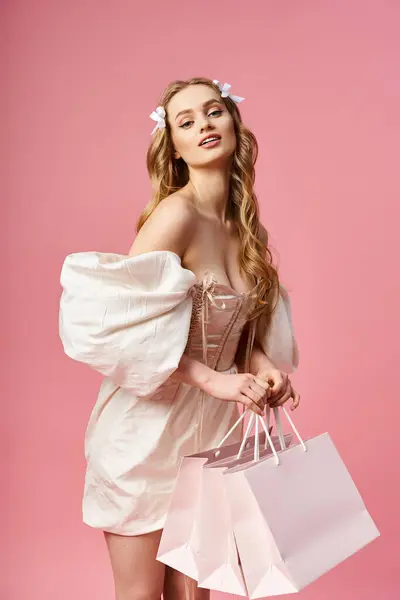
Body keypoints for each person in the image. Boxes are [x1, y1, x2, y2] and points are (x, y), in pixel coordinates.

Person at [59, 77, 300, 600]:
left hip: (207, 438)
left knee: (197, 595)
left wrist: (262, 369)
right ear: (173, 145)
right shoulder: (177, 215)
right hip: (144, 432)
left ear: (234, 122)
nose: (203, 125)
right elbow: (119, 323)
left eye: (213, 112)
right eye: (185, 121)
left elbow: (242, 332)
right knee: (143, 595)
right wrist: (212, 379)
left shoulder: (245, 227)